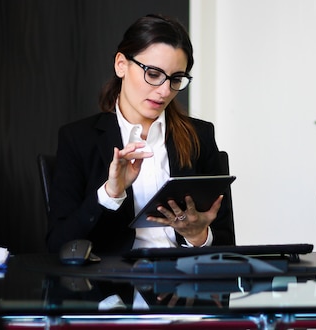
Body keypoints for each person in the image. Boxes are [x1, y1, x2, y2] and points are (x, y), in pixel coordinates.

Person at [46, 14, 235, 255]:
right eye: (153, 74)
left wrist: (197, 236)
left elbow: (226, 242)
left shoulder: (200, 135)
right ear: (121, 65)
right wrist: (110, 193)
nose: (165, 91)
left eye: (176, 79)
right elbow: (58, 244)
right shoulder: (79, 139)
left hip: (184, 282)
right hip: (114, 287)